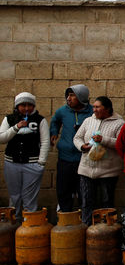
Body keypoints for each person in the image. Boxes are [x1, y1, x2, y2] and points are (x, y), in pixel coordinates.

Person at [73, 96, 124, 225]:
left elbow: (121, 143)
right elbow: (77, 137)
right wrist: (82, 146)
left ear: (107, 109)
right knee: (86, 201)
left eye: (97, 107)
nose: (94, 109)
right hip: (86, 169)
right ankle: (87, 228)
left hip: (108, 171)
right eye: (93, 107)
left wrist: (103, 140)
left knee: (107, 202)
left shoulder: (119, 123)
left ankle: (107, 230)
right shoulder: (88, 121)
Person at [0, 92, 49, 220]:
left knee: (29, 198)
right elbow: (2, 138)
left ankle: (29, 226)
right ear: (17, 106)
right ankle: (13, 224)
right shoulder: (9, 119)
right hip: (11, 163)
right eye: (23, 105)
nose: (27, 108)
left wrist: (41, 163)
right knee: (14, 195)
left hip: (32, 164)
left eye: (30, 105)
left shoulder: (40, 120)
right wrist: (16, 127)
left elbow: (45, 142)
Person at [49, 84, 92, 213]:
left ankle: (84, 219)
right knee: (63, 189)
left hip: (84, 158)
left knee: (83, 191)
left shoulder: (91, 112)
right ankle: (65, 216)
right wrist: (54, 132)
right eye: (68, 95)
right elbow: (55, 121)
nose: (69, 98)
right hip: (65, 157)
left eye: (72, 95)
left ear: (81, 97)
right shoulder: (62, 111)